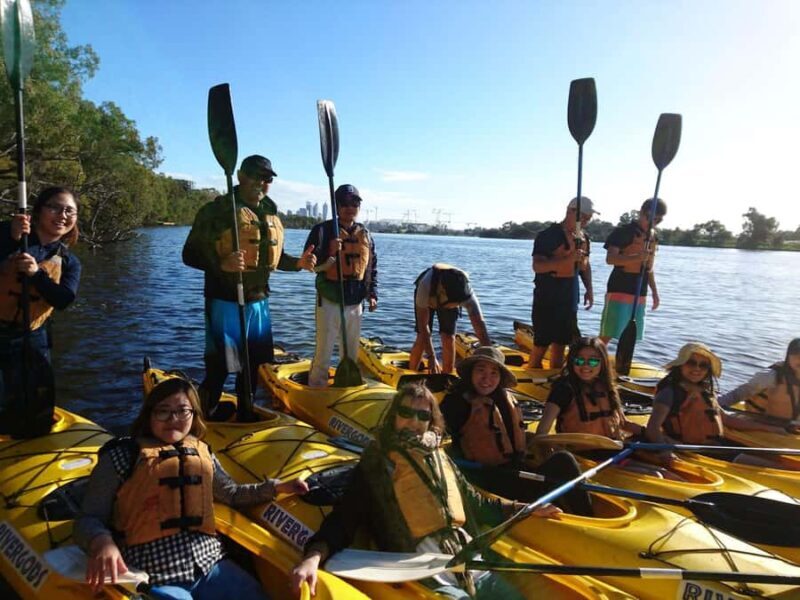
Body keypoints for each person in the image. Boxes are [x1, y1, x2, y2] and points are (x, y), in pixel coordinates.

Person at [290, 383, 560, 599]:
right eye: (406, 413)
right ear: (394, 415)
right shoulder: (378, 461)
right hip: (425, 570)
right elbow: (345, 517)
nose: (414, 421)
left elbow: (475, 502)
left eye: (423, 415)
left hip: (469, 562)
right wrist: (313, 557)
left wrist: (525, 509)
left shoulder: (439, 455)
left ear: (432, 421)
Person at [75, 377, 309, 599]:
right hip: (154, 575)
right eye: (163, 410)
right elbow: (88, 518)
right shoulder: (122, 457)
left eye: (182, 411)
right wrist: (101, 543)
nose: (173, 419)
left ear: (194, 415)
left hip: (210, 564)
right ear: (149, 415)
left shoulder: (202, 451)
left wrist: (277, 488)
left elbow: (231, 494)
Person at [182, 155, 316, 414]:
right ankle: (200, 419)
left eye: (266, 179)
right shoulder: (218, 211)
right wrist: (222, 263)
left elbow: (274, 260)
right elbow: (189, 254)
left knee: (255, 365)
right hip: (224, 301)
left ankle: (246, 413)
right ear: (241, 176)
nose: (261, 183)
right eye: (255, 176)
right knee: (221, 366)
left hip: (258, 303)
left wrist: (298, 263)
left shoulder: (269, 214)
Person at [441, 346, 593, 515]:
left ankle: (584, 514)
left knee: (563, 460)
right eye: (480, 370)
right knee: (563, 463)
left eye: (494, 373)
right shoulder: (456, 402)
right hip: (488, 479)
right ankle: (573, 513)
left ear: (500, 377)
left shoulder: (504, 398)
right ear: (470, 372)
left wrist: (536, 443)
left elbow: (507, 435)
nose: (487, 378)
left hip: (515, 473)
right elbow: (438, 430)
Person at [0, 187, 81, 436]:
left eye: (70, 211)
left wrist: (37, 275)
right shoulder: (9, 235)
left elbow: (64, 299)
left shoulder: (69, 261)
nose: (63, 215)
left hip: (33, 338)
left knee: (37, 410)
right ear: (37, 212)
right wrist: (7, 238)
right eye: (55, 207)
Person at [645, 342, 785, 465]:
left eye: (703, 365)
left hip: (716, 446)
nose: (697, 368)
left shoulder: (704, 391)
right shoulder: (669, 392)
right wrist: (665, 450)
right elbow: (653, 427)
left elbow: (726, 419)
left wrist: (766, 428)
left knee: (773, 458)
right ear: (680, 365)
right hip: (691, 449)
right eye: (691, 362)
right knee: (770, 466)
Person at [303, 184, 377, 387]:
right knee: (324, 351)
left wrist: (372, 293)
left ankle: (347, 386)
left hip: (355, 301)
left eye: (354, 203)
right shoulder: (322, 230)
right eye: (344, 203)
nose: (349, 207)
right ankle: (316, 388)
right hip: (329, 298)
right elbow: (309, 264)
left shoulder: (366, 234)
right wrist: (329, 251)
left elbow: (371, 267)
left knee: (351, 351)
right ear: (337, 206)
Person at [527, 197, 598, 369]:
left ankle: (555, 376)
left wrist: (589, 289)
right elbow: (538, 265)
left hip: (569, 296)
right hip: (547, 296)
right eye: (584, 217)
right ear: (570, 211)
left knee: (561, 343)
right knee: (542, 342)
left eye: (589, 218)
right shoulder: (548, 236)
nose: (587, 221)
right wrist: (566, 260)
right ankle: (533, 371)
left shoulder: (583, 238)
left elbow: (584, 267)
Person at [598, 198, 666, 345]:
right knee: (608, 332)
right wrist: (636, 257)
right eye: (651, 217)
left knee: (630, 334)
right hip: (620, 286)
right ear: (641, 212)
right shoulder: (623, 232)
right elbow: (610, 258)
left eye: (658, 220)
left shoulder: (653, 237)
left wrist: (654, 292)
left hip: (640, 291)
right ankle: (593, 357)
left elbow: (649, 268)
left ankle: (622, 365)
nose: (653, 222)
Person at [409, 264, 490, 374]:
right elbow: (424, 327)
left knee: (448, 337)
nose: (449, 308)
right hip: (429, 296)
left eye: (454, 305)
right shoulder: (424, 286)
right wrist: (432, 357)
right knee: (421, 339)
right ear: (442, 292)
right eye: (449, 306)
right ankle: (411, 372)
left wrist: (491, 356)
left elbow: (479, 325)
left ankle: (446, 376)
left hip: (449, 296)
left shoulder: (466, 294)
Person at [718, 338, 800, 425]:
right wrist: (715, 405)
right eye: (798, 355)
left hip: (788, 427)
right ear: (788, 356)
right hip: (756, 424)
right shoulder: (770, 376)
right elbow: (737, 394)